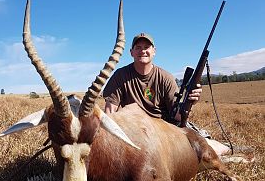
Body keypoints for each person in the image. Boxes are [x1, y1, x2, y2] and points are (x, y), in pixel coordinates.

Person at [103, 32, 254, 161]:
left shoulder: (165, 77)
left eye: (147, 47)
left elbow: (176, 114)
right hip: (136, 130)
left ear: (154, 51)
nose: (143, 51)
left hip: (163, 128)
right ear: (131, 52)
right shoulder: (120, 76)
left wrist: (190, 101)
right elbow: (110, 112)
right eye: (138, 47)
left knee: (202, 148)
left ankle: (227, 148)